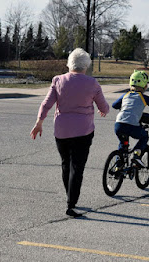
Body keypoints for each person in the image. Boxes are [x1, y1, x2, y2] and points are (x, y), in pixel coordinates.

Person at [30, 48, 109, 217]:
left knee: (66, 164)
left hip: (62, 130)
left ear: (69, 64)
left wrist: (39, 122)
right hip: (83, 130)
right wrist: (103, 110)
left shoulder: (58, 80)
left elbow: (46, 104)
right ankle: (71, 202)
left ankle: (69, 196)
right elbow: (104, 107)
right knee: (77, 167)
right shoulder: (92, 83)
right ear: (86, 66)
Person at [112, 70, 149, 167]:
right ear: (145, 86)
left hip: (118, 124)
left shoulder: (125, 95)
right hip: (132, 126)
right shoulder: (145, 98)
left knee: (123, 143)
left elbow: (114, 105)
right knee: (144, 136)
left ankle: (118, 166)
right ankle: (136, 156)